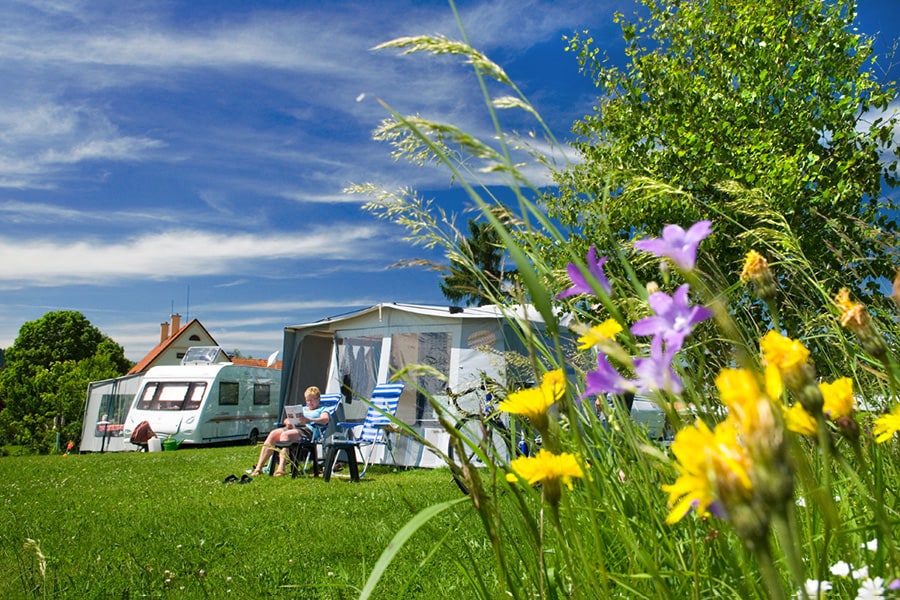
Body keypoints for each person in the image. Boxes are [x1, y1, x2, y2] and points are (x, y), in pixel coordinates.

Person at [251, 386, 330, 476]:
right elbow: (286, 419)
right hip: (294, 427)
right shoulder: (302, 409)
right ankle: (259, 468)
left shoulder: (323, 409)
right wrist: (288, 421)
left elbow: (325, 420)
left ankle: (281, 468)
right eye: (307, 400)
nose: (309, 403)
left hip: (308, 431)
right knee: (273, 434)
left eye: (312, 400)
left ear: (318, 399)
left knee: (286, 435)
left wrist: (309, 419)